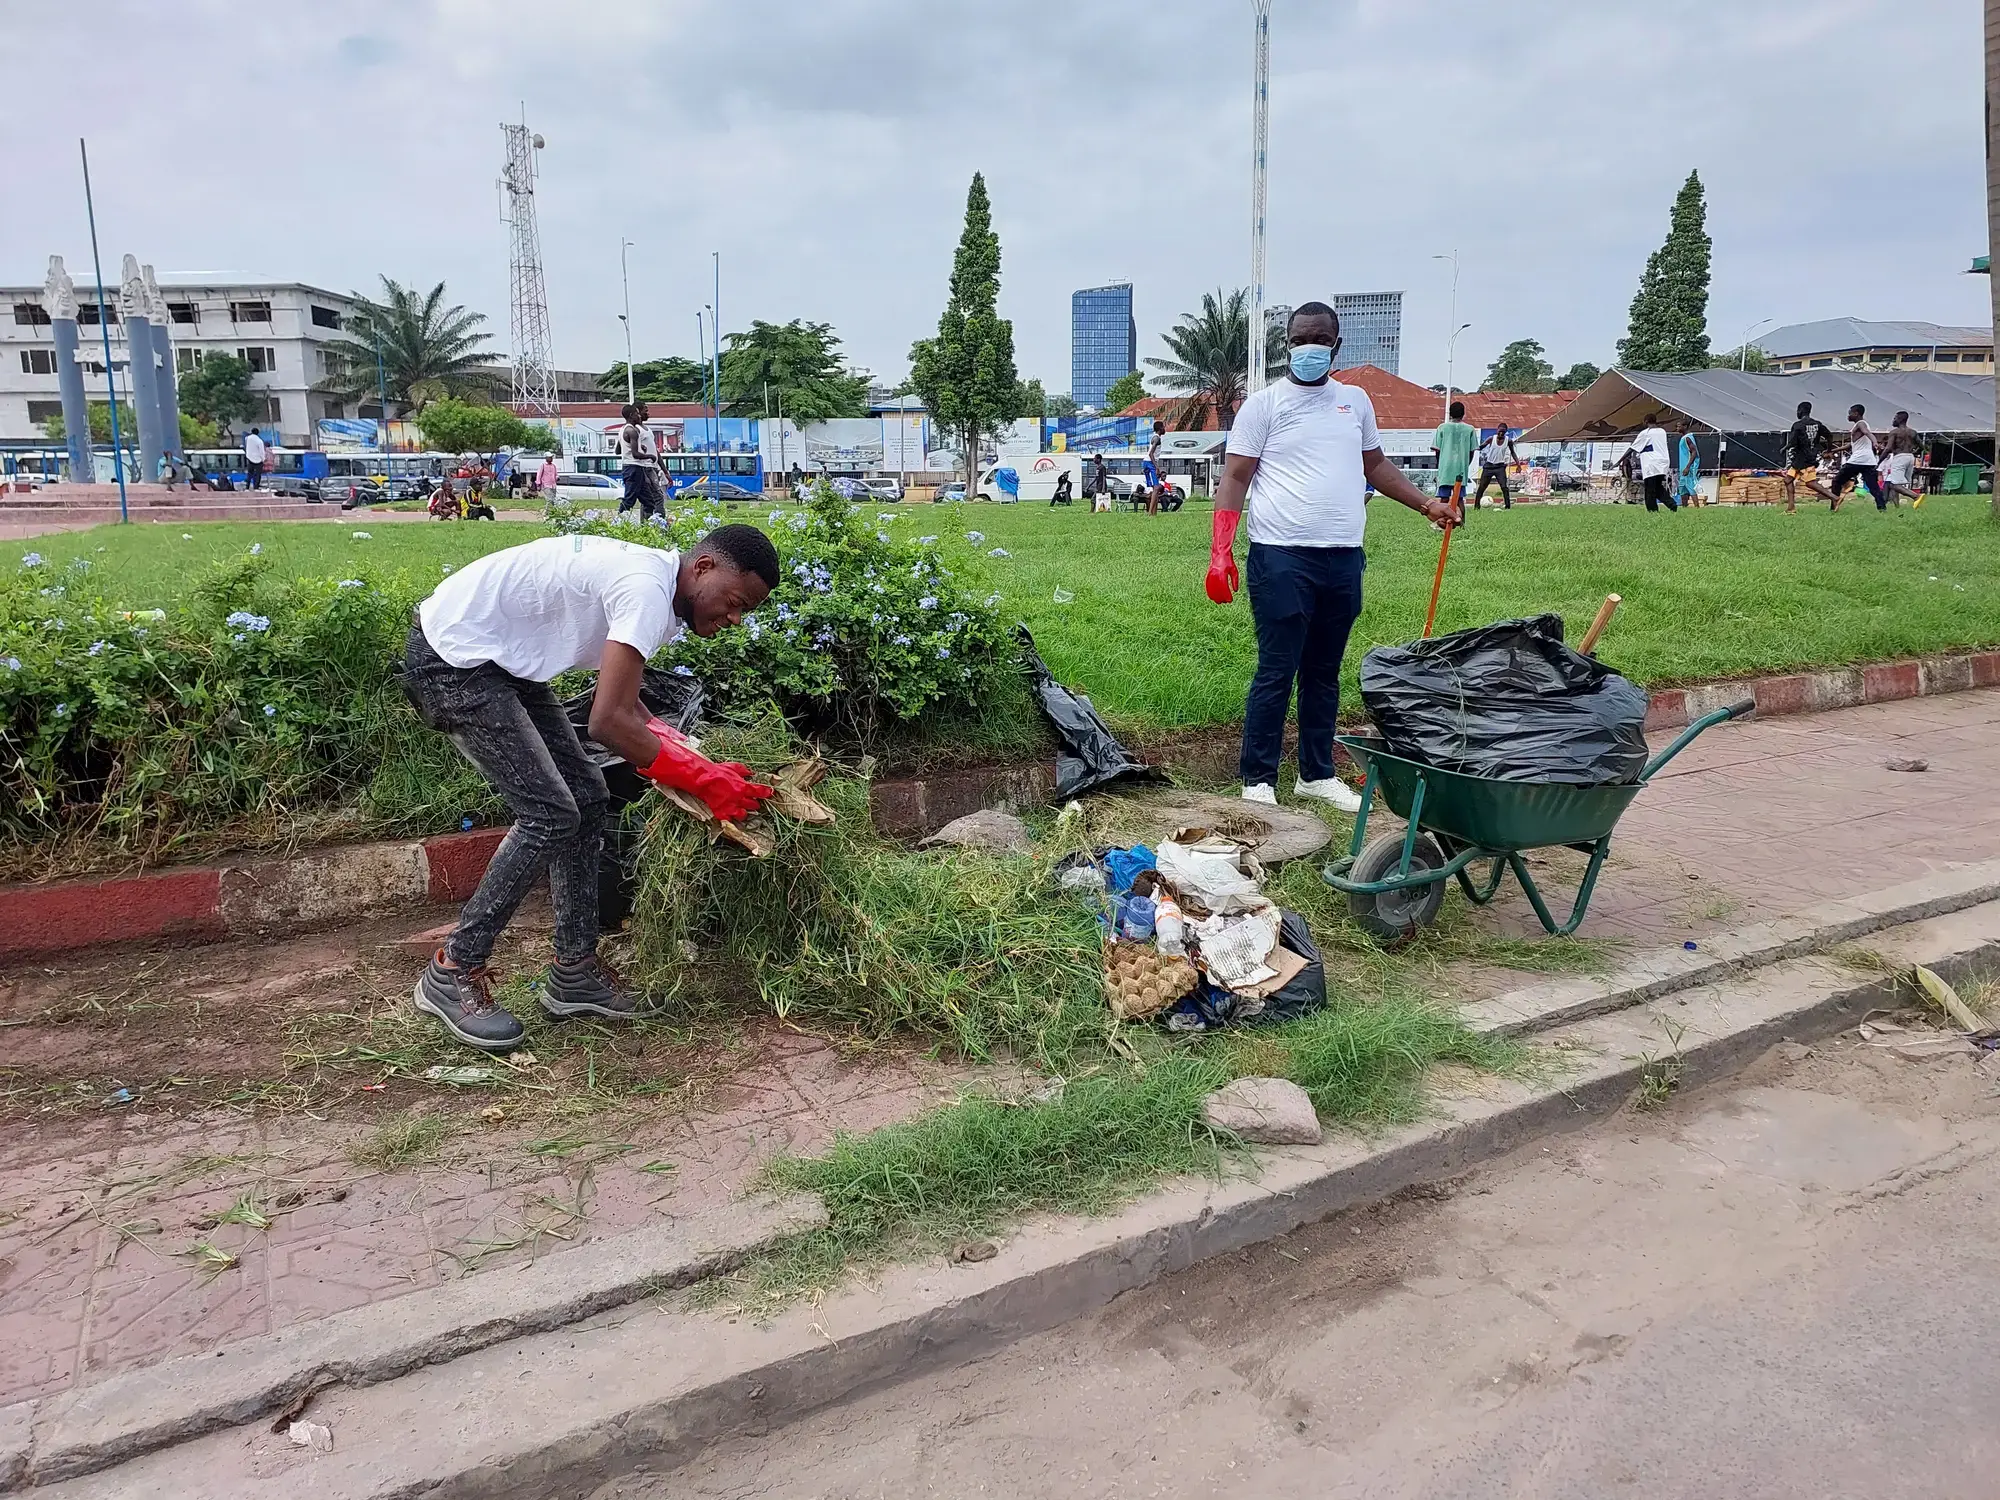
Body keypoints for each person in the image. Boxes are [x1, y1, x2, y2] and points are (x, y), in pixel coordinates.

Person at [402, 525, 781, 1051]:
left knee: (586, 796)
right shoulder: (646, 589)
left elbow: (627, 704)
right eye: (735, 602)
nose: (735, 618)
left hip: (500, 662)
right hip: (454, 660)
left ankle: (574, 972)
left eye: (746, 611)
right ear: (703, 568)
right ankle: (453, 967)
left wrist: (688, 751)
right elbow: (607, 722)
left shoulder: (663, 591)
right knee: (551, 813)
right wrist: (701, 780)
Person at [1205, 302, 1458, 811]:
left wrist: (1428, 504)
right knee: (1277, 668)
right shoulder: (1264, 405)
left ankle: (1316, 773)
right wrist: (1221, 550)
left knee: (1324, 669)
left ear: (1336, 345)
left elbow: (1376, 466)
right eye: (1301, 339)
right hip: (1280, 556)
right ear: (1288, 345)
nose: (1310, 347)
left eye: (1321, 339)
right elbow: (1235, 477)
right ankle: (1258, 778)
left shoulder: (1355, 402)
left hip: (1342, 556)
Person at [1829, 403, 1885, 510]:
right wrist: (1832, 450)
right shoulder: (1860, 426)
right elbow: (1850, 445)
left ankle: (1834, 506)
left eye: (1850, 413)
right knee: (1874, 487)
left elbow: (1867, 433)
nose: (1848, 415)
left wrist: (1875, 442)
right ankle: (1882, 508)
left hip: (1858, 460)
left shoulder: (1861, 424)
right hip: (1869, 461)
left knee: (1837, 481)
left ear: (1856, 413)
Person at [616, 403, 665, 521]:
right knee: (629, 499)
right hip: (633, 468)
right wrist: (650, 456)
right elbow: (635, 455)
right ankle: (619, 521)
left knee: (649, 501)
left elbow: (618, 450)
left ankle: (648, 524)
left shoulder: (623, 430)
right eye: (637, 414)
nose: (639, 416)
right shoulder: (632, 431)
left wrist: (638, 446)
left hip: (638, 468)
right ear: (632, 415)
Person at [1783, 401, 1835, 511]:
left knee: (1810, 483)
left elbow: (1792, 442)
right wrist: (1829, 450)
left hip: (1801, 458)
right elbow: (1829, 436)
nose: (1797, 412)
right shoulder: (1817, 424)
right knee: (1788, 480)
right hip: (1811, 456)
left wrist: (1784, 448)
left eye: (1798, 410)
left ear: (1801, 411)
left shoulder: (1797, 425)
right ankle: (1791, 508)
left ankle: (1834, 497)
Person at [1430, 400, 1477, 510]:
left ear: (1450, 413)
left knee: (1444, 499)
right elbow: (1472, 451)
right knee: (1459, 499)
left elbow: (1437, 450)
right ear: (1463, 414)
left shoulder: (1442, 427)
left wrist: (1440, 465)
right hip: (1461, 468)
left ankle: (1442, 521)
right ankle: (1462, 524)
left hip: (1445, 468)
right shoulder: (1470, 429)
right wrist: (1466, 465)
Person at [1629, 421, 1676, 512]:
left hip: (1650, 465)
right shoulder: (1662, 431)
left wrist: (1619, 461)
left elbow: (1633, 448)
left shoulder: (1645, 433)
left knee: (1650, 489)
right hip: (1662, 464)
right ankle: (1671, 504)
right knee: (1658, 487)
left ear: (1646, 422)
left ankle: (1652, 509)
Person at [1470, 424, 1518, 509]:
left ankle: (1507, 507)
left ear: (1505, 432)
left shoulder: (1508, 441)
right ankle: (1476, 507)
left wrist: (1518, 464)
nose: (1501, 433)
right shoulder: (1491, 439)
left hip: (1500, 467)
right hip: (1489, 466)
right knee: (1482, 486)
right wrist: (1472, 448)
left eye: (1503, 432)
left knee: (1504, 487)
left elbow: (1513, 452)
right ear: (1497, 430)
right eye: (1500, 431)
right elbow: (1481, 447)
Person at [1882, 411, 1920, 508]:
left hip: (1899, 458)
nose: (1893, 420)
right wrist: (1914, 451)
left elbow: (1888, 448)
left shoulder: (1894, 432)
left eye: (1895, 418)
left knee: (1894, 484)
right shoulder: (1913, 432)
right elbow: (1923, 446)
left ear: (1900, 419)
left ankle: (1915, 496)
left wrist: (1878, 462)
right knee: (1891, 482)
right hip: (1910, 457)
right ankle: (1897, 507)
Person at [1675, 422, 1703, 508]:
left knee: (1690, 487)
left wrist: (1688, 467)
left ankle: (1697, 507)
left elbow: (1694, 452)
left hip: (1688, 468)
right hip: (1683, 467)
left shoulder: (1688, 438)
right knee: (1682, 488)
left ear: (1685, 426)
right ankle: (1684, 508)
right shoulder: (1683, 438)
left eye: (1679, 426)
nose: (1677, 428)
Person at [1144, 420, 1166, 516]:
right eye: (1163, 427)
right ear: (1160, 429)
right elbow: (1151, 453)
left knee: (1154, 489)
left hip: (1146, 462)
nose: (1164, 429)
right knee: (1156, 488)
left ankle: (1154, 513)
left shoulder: (1155, 438)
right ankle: (1150, 513)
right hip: (1150, 463)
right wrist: (1157, 467)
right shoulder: (1157, 439)